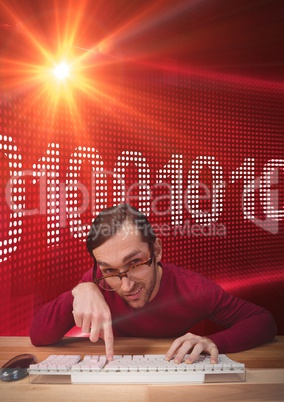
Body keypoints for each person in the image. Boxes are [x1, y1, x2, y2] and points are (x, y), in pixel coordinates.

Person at [30, 204, 277, 364]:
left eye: (135, 262)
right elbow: (39, 336)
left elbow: (263, 321)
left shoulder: (192, 288)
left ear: (156, 250)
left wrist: (215, 342)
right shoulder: (97, 283)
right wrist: (78, 291)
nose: (125, 286)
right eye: (110, 270)